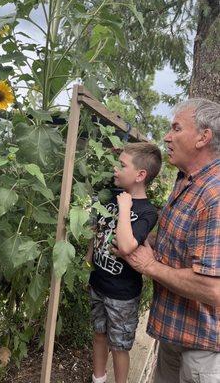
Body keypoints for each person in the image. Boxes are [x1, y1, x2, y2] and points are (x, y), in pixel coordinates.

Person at [119, 98, 220, 383]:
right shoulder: (187, 180)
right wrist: (144, 235)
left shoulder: (214, 196)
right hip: (177, 332)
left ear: (203, 137)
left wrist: (150, 266)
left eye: (176, 128)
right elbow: (186, 240)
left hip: (202, 348)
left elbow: (213, 289)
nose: (167, 136)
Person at [86, 142, 162, 383]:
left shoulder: (147, 212)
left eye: (122, 166)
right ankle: (98, 378)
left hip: (122, 294)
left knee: (119, 346)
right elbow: (97, 230)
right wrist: (88, 262)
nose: (116, 170)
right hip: (98, 282)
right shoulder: (111, 197)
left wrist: (125, 207)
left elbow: (127, 246)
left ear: (140, 175)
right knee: (99, 334)